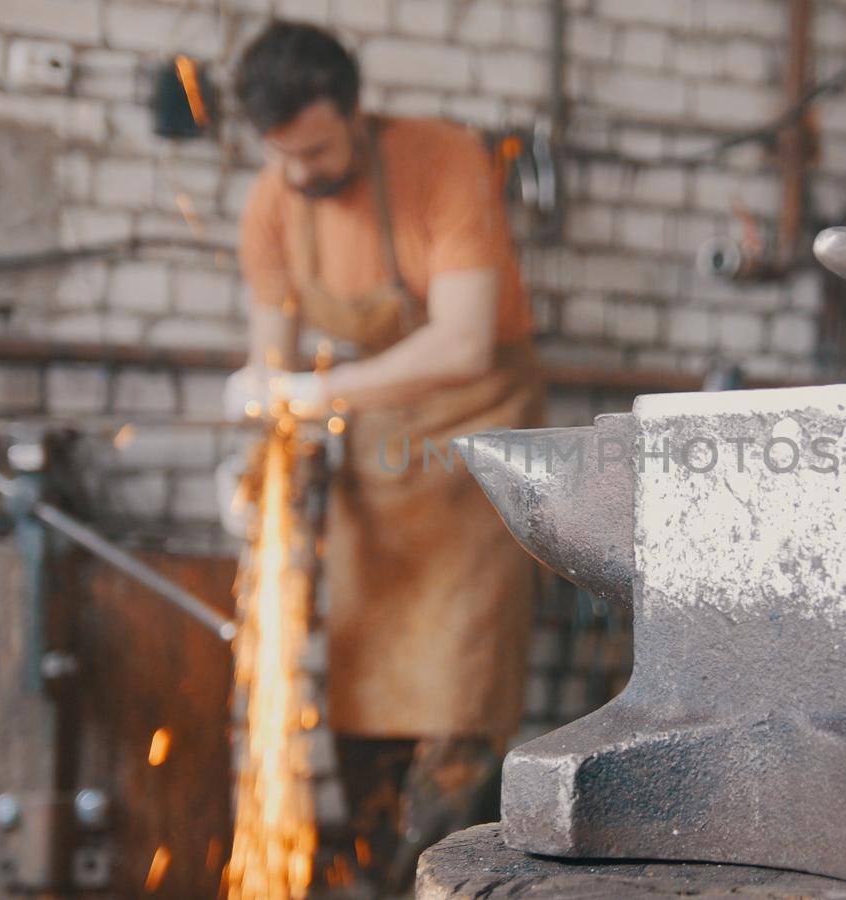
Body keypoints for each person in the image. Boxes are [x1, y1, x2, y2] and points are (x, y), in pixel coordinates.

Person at [225, 20, 544, 894]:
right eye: (282, 153)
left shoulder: (443, 163)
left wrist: (322, 396)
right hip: (378, 470)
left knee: (458, 711)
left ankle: (446, 882)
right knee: (360, 705)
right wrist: (250, 462)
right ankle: (366, 876)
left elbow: (465, 342)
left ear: (356, 113)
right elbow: (272, 366)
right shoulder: (272, 204)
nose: (301, 172)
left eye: (317, 148)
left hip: (475, 458)